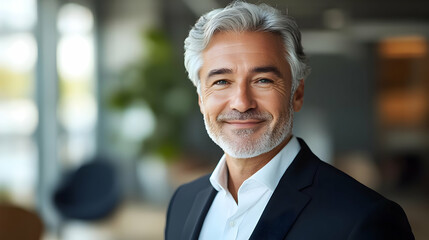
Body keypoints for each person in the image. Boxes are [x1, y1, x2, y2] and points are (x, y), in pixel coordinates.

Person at [165, 1, 415, 239]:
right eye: (221, 82)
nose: (241, 103)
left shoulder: (365, 218)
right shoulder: (183, 203)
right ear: (201, 99)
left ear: (297, 93)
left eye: (263, 80)